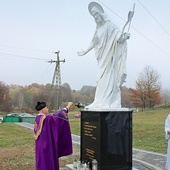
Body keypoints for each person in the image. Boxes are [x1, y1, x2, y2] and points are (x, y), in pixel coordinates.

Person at [77, 2, 131, 110]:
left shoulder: (110, 26)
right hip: (102, 59)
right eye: (94, 16)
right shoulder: (98, 28)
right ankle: (99, 101)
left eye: (96, 15)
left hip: (110, 58)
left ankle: (108, 102)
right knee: (100, 79)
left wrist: (124, 38)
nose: (95, 17)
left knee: (109, 79)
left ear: (102, 14)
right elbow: (94, 42)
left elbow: (118, 39)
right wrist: (85, 51)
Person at [34, 101, 73, 170]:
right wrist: (67, 107)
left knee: (41, 163)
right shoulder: (46, 119)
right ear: (43, 110)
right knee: (48, 163)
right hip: (47, 147)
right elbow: (58, 116)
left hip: (40, 147)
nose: (48, 109)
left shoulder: (37, 118)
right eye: (46, 108)